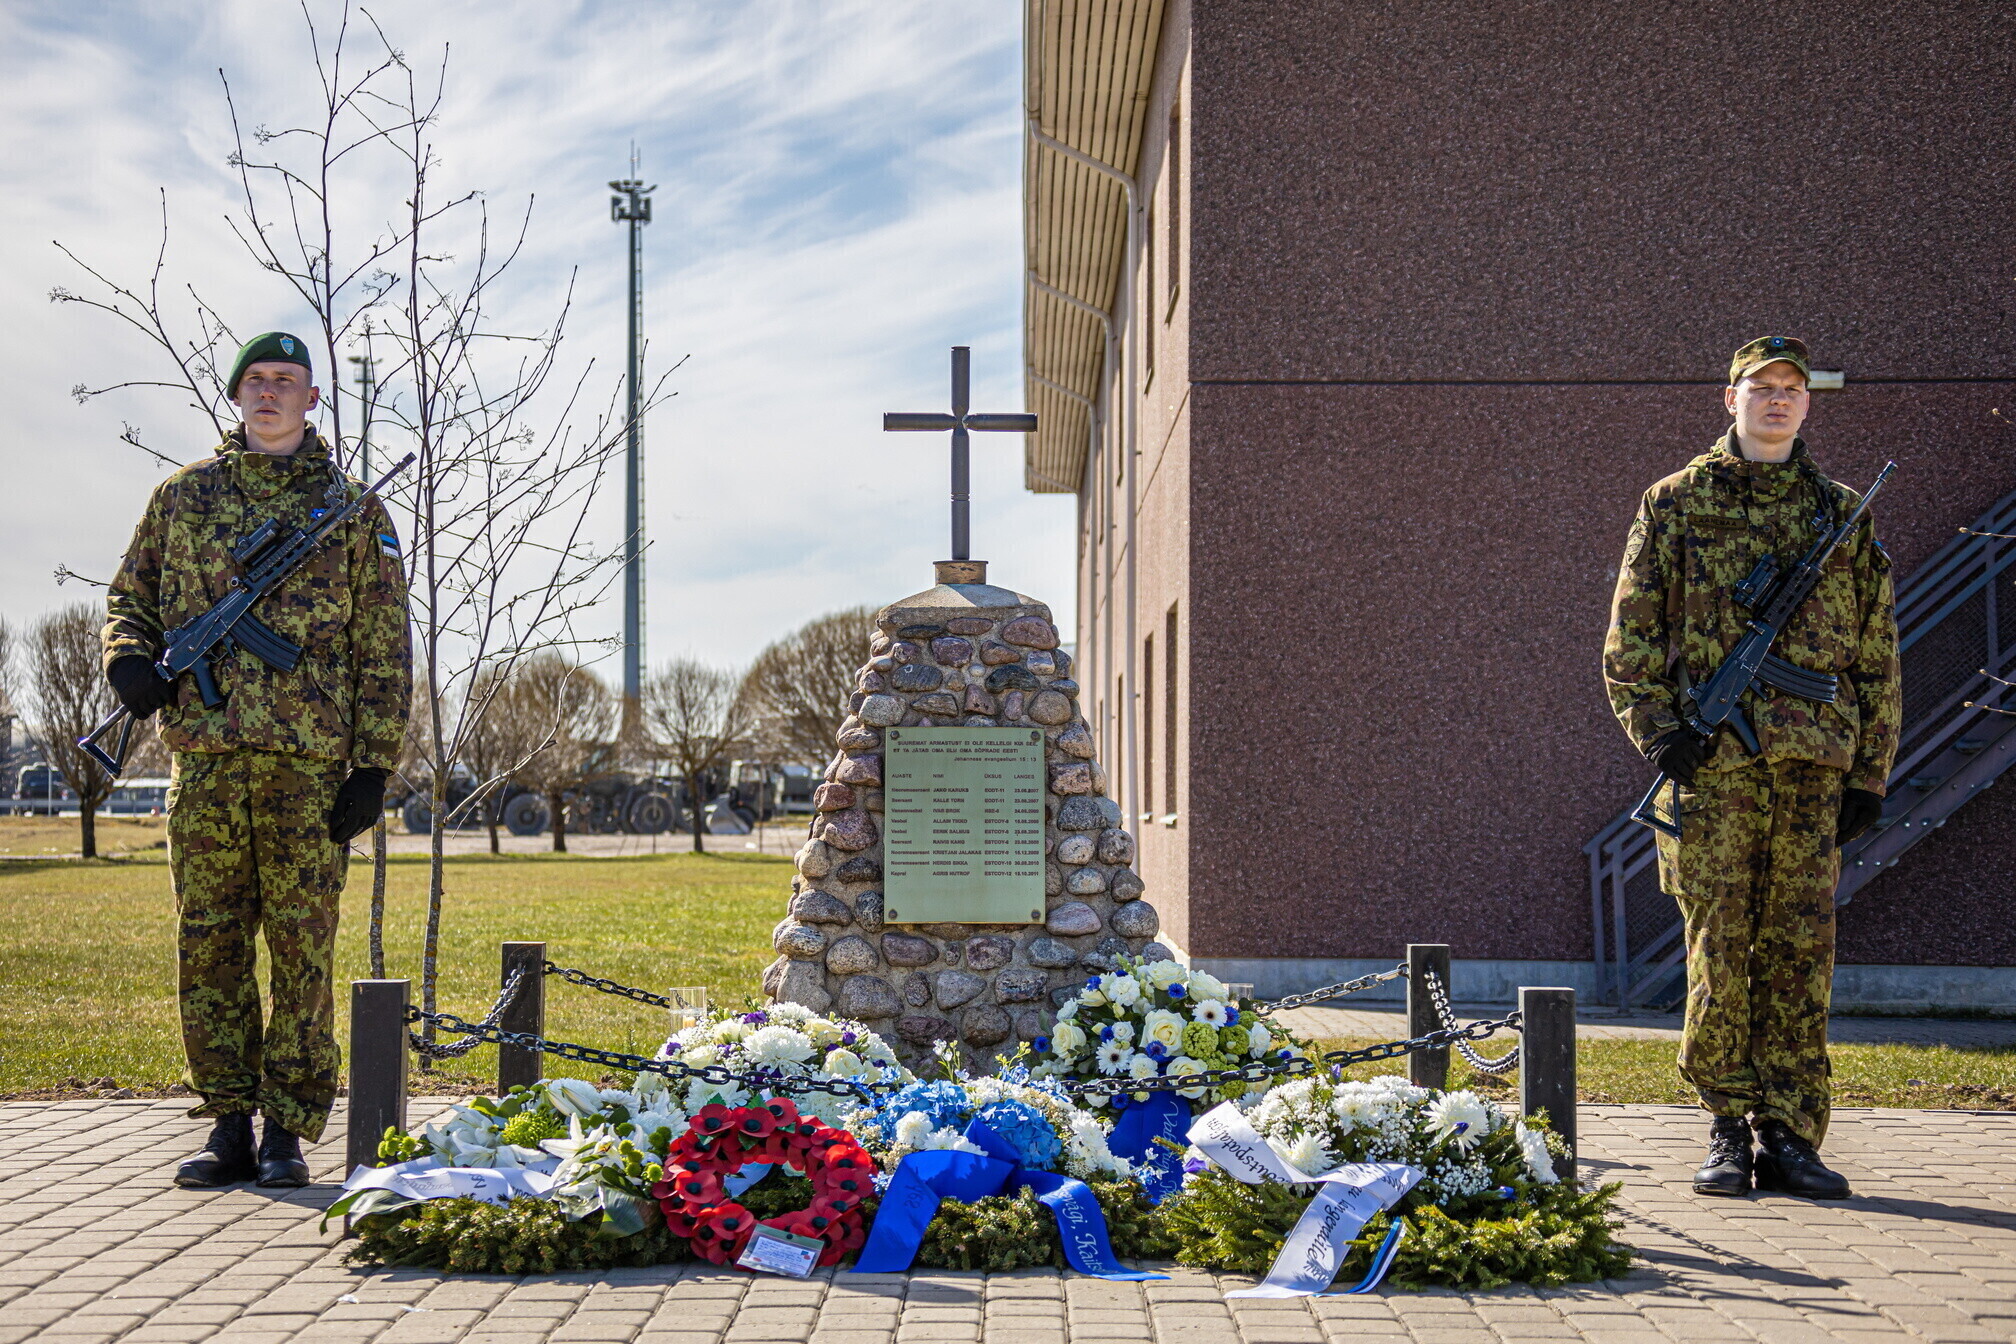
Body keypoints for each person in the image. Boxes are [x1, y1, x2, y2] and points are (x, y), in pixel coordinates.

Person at [102, 331, 411, 1187]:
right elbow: (129, 597)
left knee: (302, 951)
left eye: (287, 381)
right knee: (209, 946)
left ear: (312, 398)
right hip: (204, 761)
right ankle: (228, 1124)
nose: (269, 393)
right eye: (256, 380)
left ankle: (286, 1132)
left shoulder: (351, 510)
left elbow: (385, 645)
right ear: (237, 394)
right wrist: (129, 660)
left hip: (306, 770)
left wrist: (372, 767)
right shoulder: (183, 497)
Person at [1603, 336, 1900, 1200]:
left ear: (1806, 404)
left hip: (1813, 773)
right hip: (1715, 771)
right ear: (1729, 397)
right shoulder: (1676, 502)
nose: (1777, 399)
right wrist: (1661, 735)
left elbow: (1876, 652)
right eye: (1761, 385)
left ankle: (1792, 1133)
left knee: (1800, 951)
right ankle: (1728, 1126)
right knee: (1720, 947)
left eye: (1792, 388)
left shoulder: (1840, 512)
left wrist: (1870, 772)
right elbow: (1631, 638)